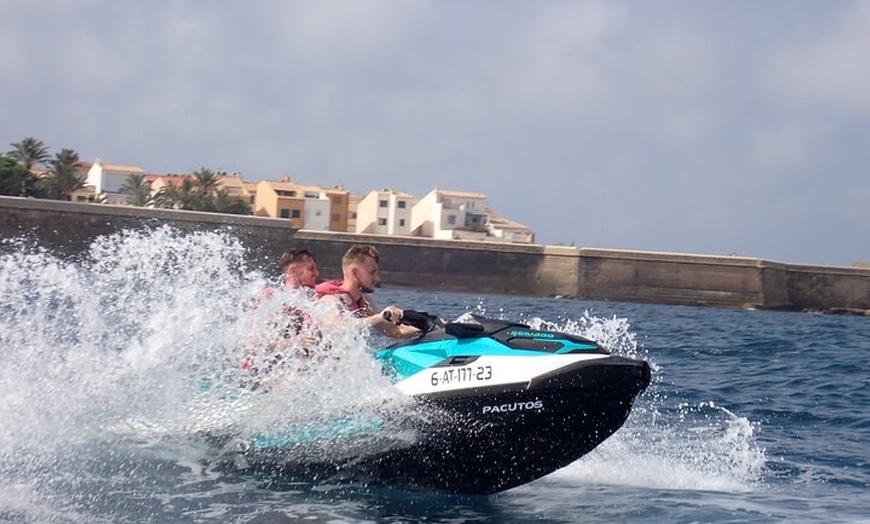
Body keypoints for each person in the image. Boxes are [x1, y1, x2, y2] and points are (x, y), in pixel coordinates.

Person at [242, 248, 321, 376]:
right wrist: (296, 342)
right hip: (264, 371)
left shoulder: (310, 301)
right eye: (311, 269)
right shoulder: (272, 298)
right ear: (293, 270)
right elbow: (253, 345)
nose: (317, 273)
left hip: (295, 369)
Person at [315, 244, 420, 338]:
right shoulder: (330, 300)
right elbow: (340, 329)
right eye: (372, 273)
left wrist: (427, 330)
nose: (377, 279)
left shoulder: (365, 301)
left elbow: (392, 330)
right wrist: (379, 317)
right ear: (355, 273)